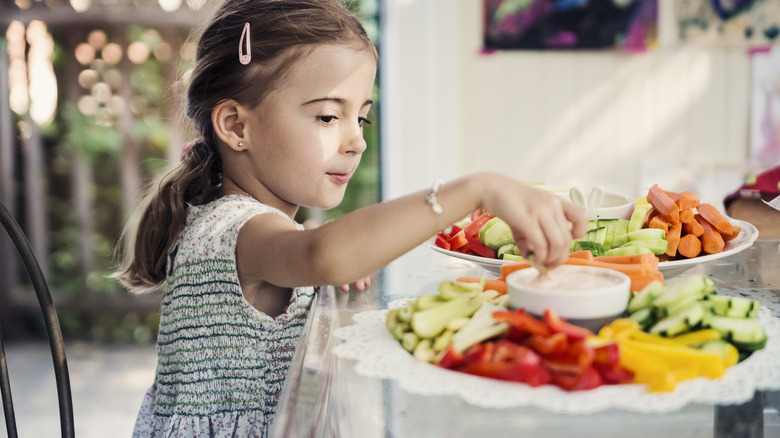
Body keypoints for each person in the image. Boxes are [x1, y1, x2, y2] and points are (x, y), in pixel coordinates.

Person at [114, 0, 588, 436]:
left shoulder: (246, 226)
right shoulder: (233, 229)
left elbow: (309, 252)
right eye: (327, 117)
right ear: (237, 125)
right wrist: (476, 189)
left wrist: (313, 250)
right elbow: (324, 257)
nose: (355, 141)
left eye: (360, 118)